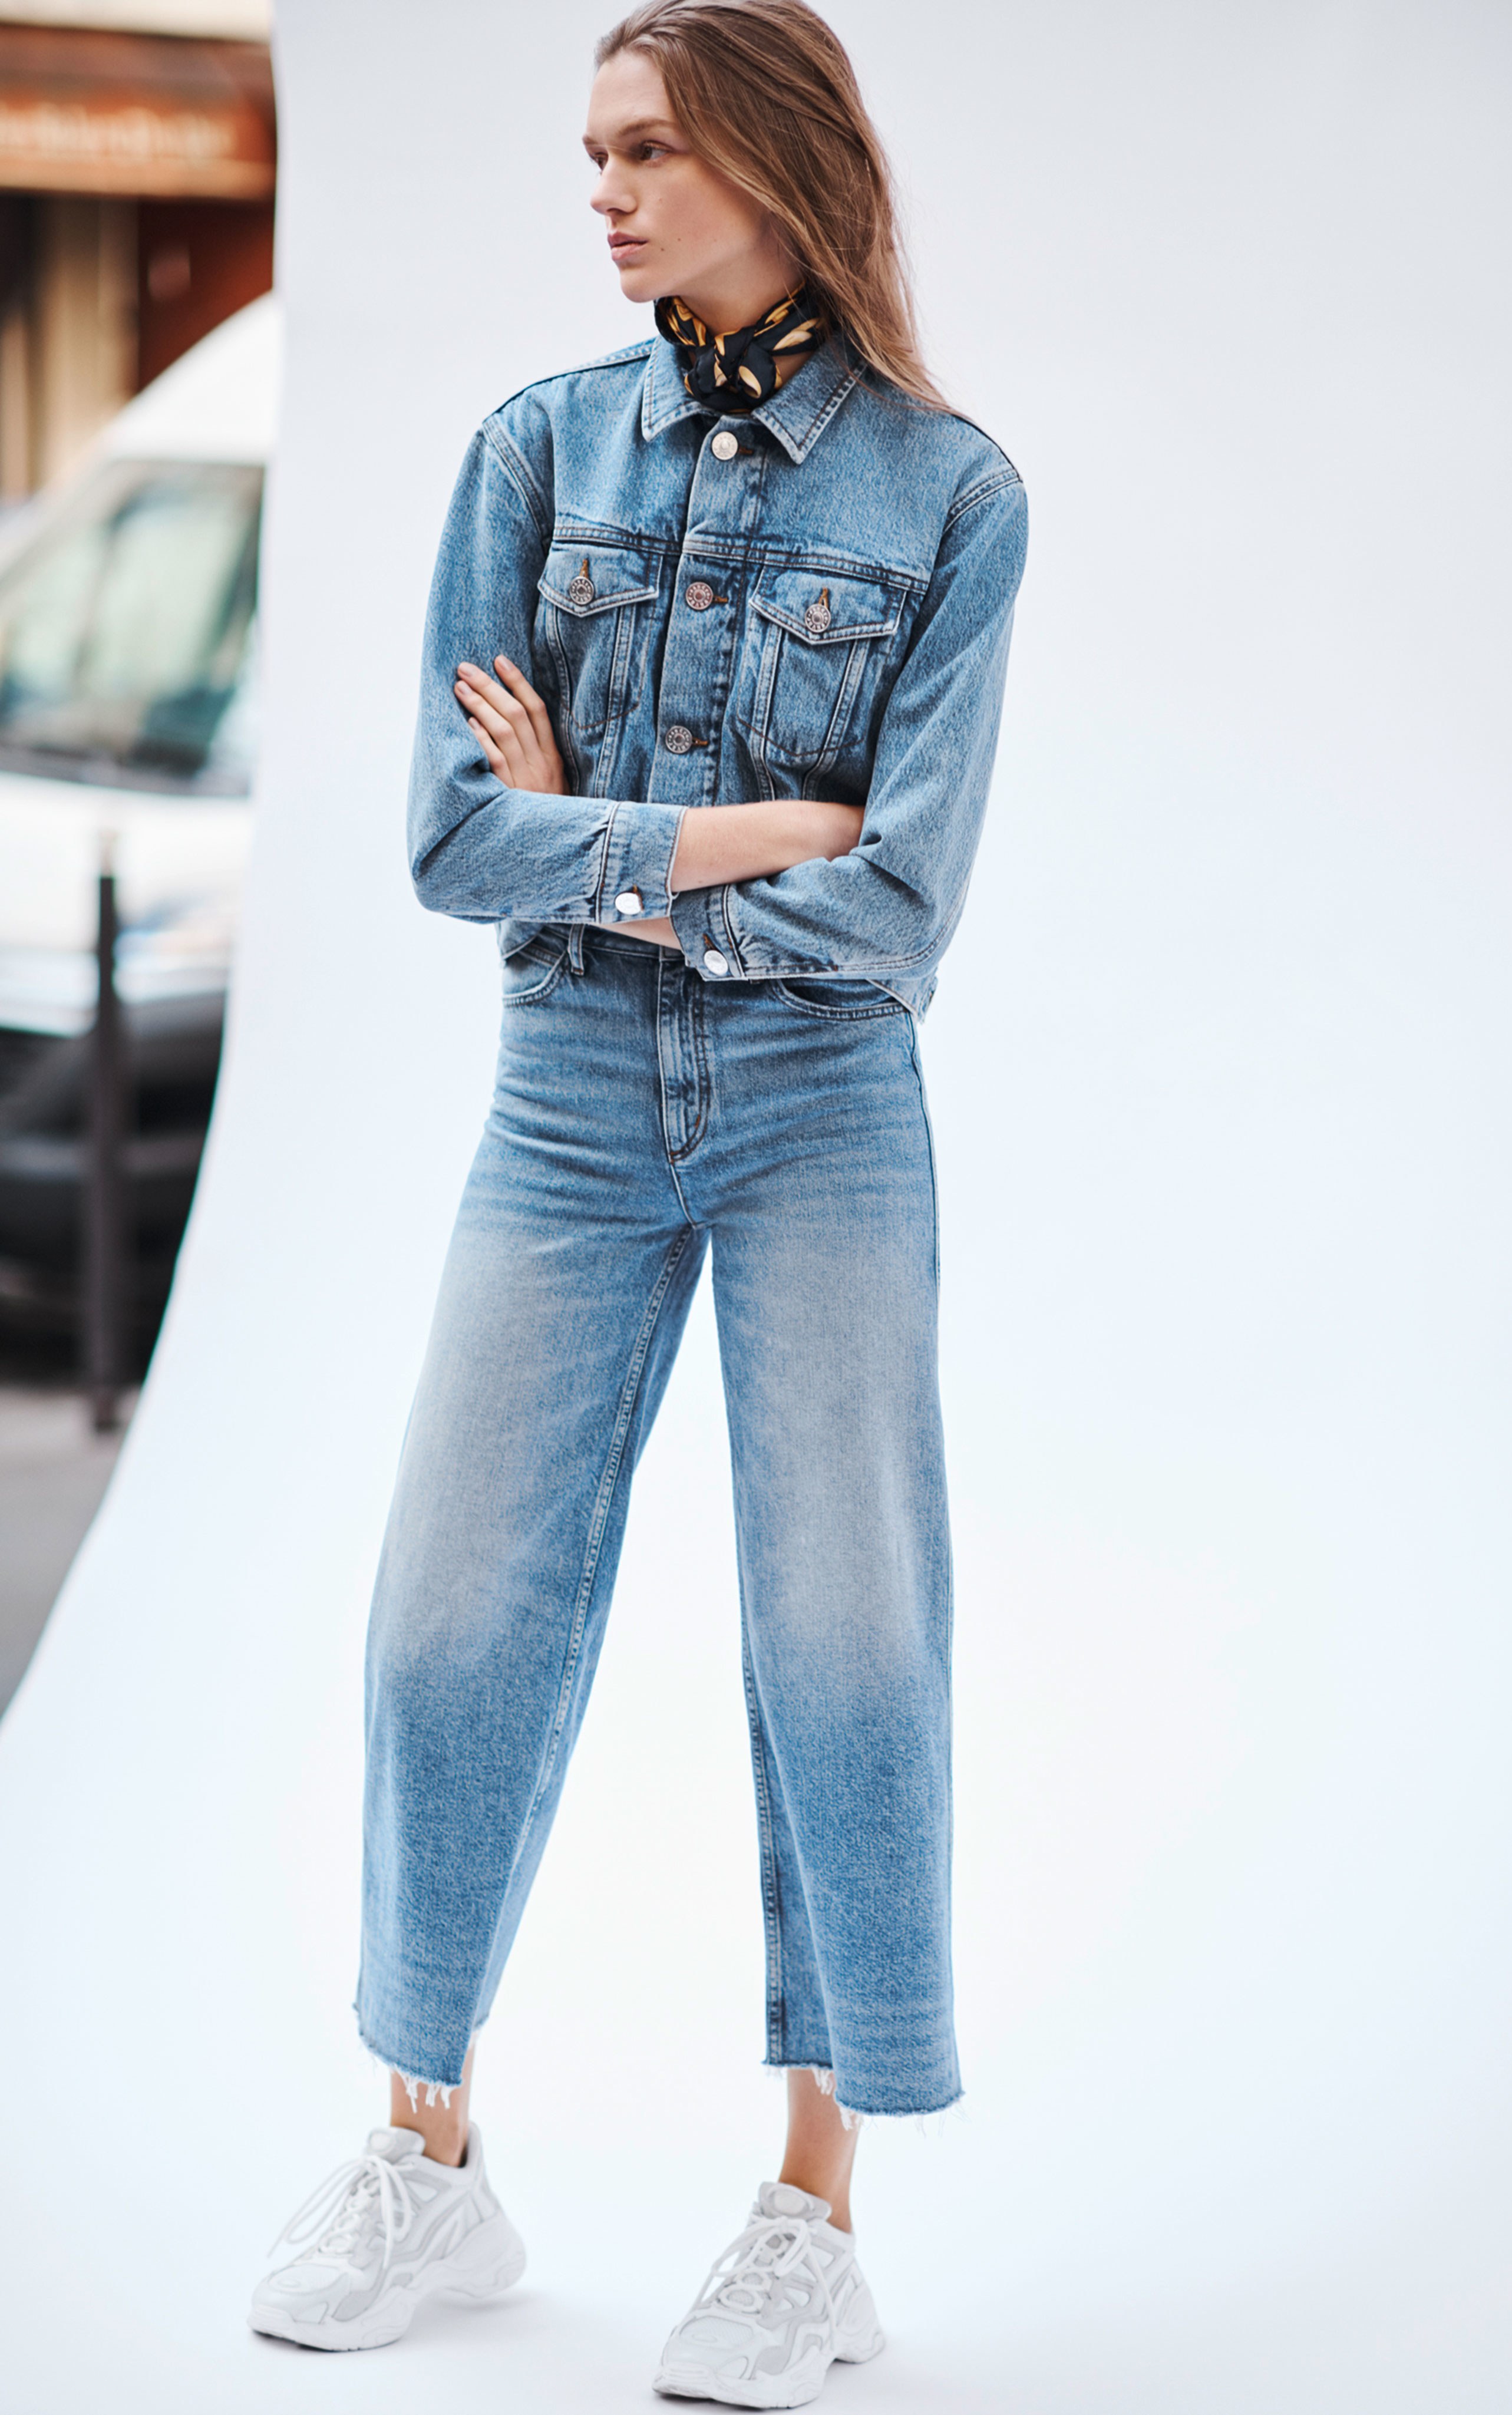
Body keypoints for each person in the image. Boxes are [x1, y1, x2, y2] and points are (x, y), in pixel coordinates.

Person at [250, 1, 1026, 2400]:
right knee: (443, 1618)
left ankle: (811, 2214)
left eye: (645, 149)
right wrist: (734, 833)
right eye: (590, 152)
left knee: (844, 1644)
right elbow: (442, 839)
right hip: (567, 1097)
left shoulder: (949, 494)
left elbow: (901, 908)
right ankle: (428, 2156)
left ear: (771, 158)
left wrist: (588, 832)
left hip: (822, 1110)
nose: (599, 193)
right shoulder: (535, 448)